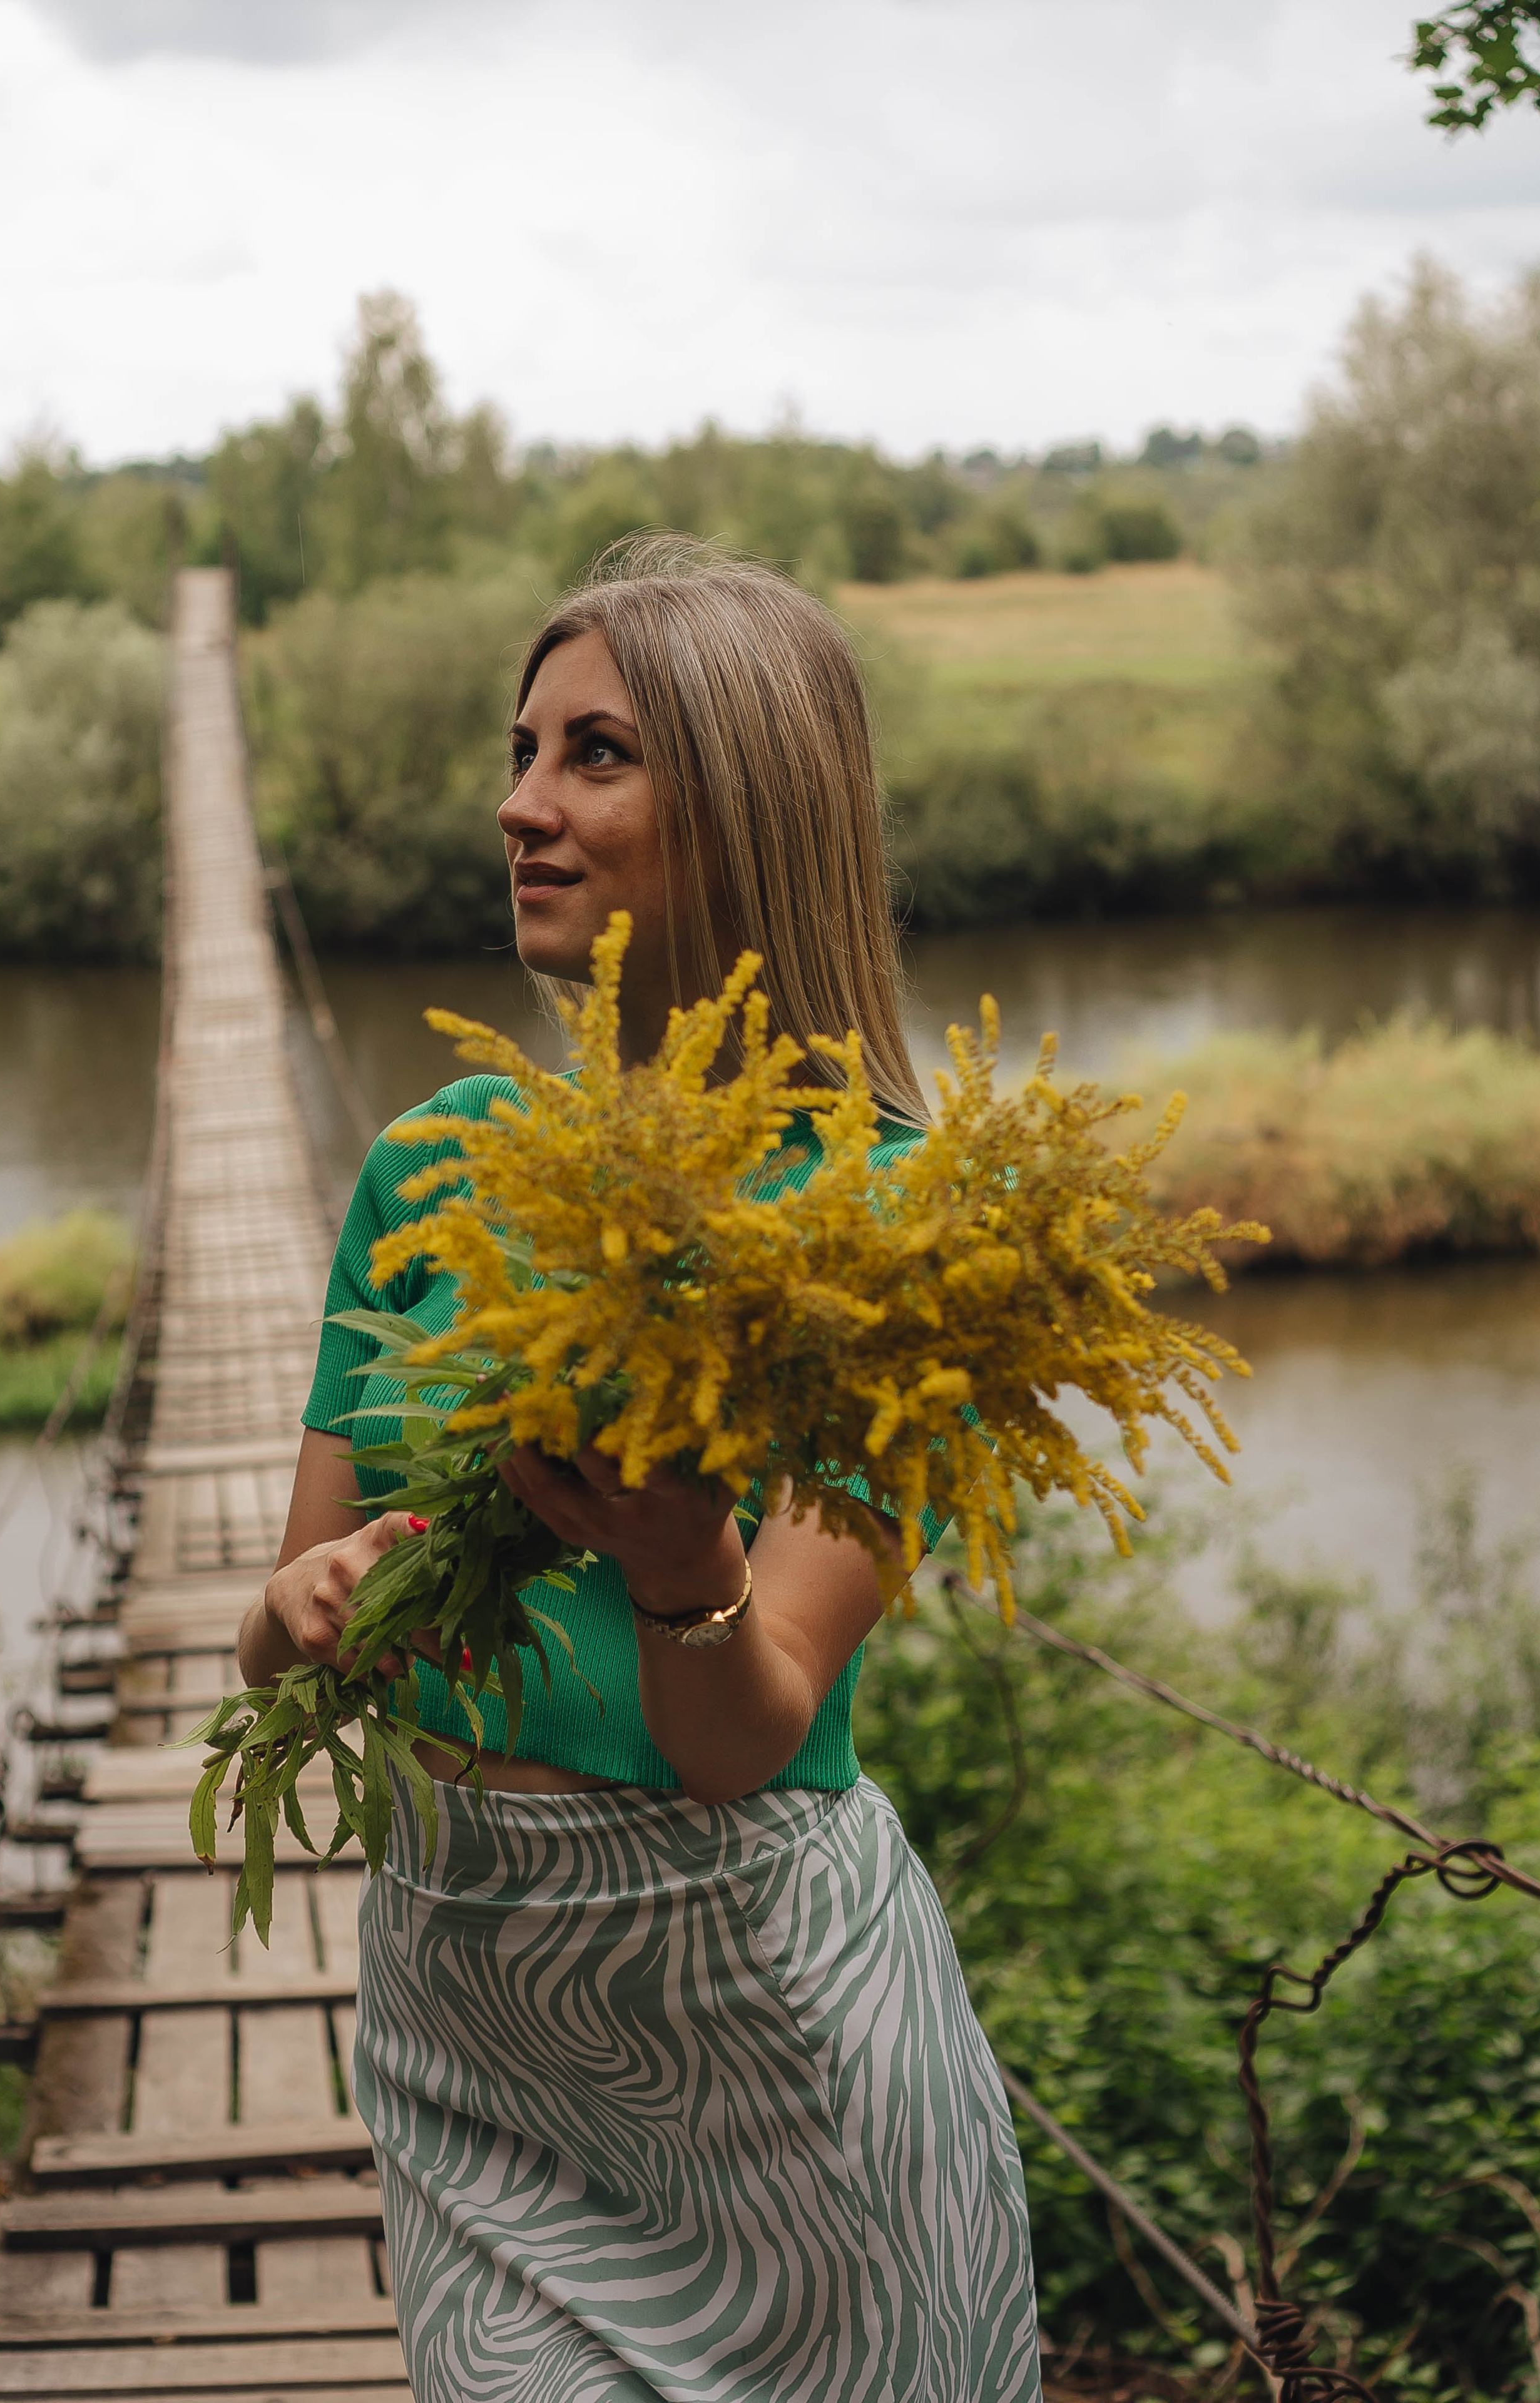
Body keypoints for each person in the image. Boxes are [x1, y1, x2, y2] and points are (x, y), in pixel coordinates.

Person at [239, 539, 1043, 2403]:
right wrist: (307, 1612)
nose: (519, 805)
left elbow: (744, 1734)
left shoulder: (911, 1225)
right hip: (468, 2018)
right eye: (523, 751)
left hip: (761, 2010)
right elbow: (280, 1634)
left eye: (594, 754)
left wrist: (688, 1566)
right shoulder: (426, 1169)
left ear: (748, 800)